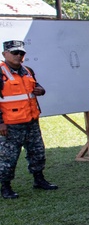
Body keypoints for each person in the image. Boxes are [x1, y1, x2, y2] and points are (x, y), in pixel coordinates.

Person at [1, 39, 58, 199]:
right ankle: (5, 187)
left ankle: (39, 180)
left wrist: (41, 90)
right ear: (5, 54)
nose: (19, 56)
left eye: (21, 53)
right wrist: (1, 123)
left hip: (31, 122)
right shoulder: (1, 73)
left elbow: (36, 88)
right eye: (15, 53)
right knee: (8, 158)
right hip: (11, 125)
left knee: (37, 152)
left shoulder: (27, 71)